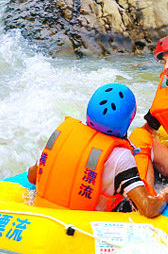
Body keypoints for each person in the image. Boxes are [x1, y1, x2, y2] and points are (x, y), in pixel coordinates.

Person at [28, 83, 168, 217]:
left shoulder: (61, 134)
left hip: (45, 213)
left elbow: (32, 177)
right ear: (129, 119)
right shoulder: (121, 157)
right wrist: (165, 196)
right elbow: (148, 208)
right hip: (87, 223)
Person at [131, 36, 168, 190]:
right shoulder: (165, 92)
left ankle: (144, 198)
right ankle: (144, 193)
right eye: (164, 62)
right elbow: (148, 128)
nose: (166, 67)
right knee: (139, 136)